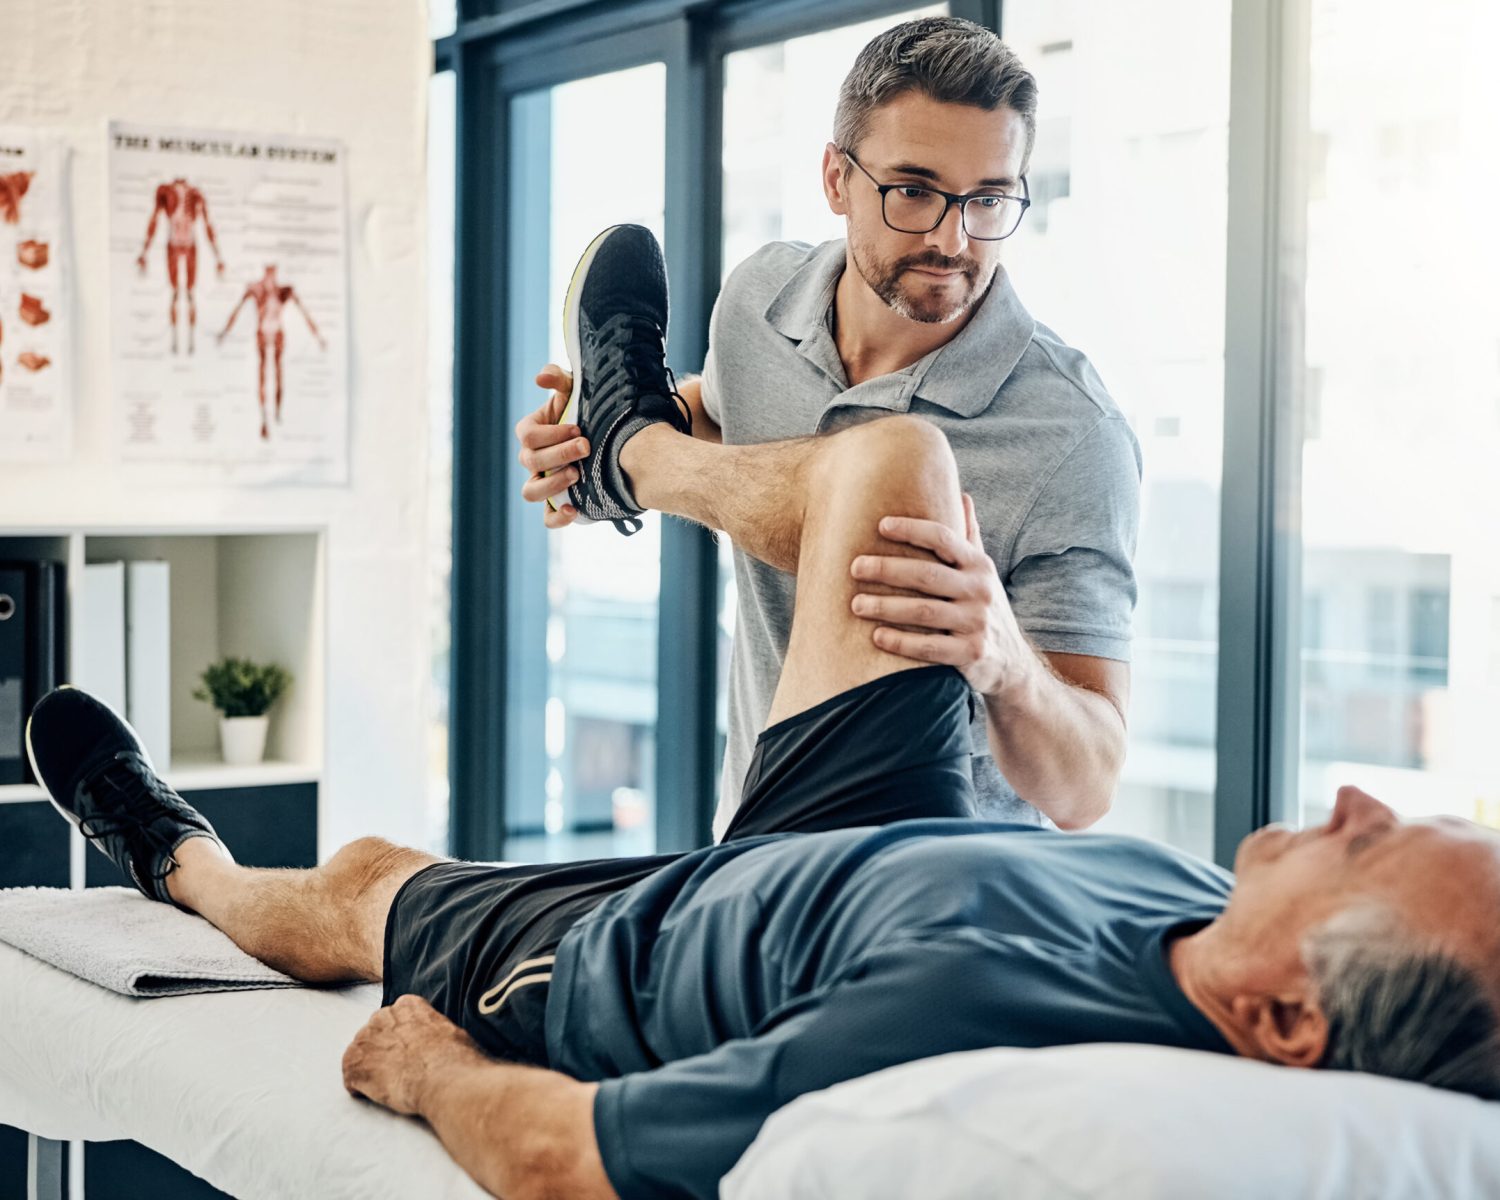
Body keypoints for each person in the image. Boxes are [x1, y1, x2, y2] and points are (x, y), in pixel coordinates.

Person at [24, 226, 1500, 1200]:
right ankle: (642, 446)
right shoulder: (1214, 917)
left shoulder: (960, 1035)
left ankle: (171, 848)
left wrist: (431, 1071)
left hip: (656, 952)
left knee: (355, 886)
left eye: (1379, 852)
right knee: (899, 464)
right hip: (874, 828)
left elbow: (572, 1166)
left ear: (1286, 1017)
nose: (1366, 800)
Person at [517, 16, 1141, 838]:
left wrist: (1005, 661)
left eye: (989, 199)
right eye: (914, 191)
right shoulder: (757, 303)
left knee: (894, 466)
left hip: (933, 897)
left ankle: (637, 456)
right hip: (748, 847)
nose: (953, 240)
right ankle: (629, 448)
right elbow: (727, 421)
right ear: (835, 179)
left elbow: (1087, 789)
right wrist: (586, 445)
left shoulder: (1071, 433)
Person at [216, 263, 328, 439]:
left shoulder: (284, 292)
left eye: (273, 274)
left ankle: (276, 413)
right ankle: (264, 419)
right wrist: (225, 332)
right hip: (263, 332)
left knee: (277, 373)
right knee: (262, 375)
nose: (270, 277)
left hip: (276, 333)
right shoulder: (256, 290)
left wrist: (318, 336)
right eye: (268, 273)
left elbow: (304, 313)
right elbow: (237, 310)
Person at [136, 176, 225, 355]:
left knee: (190, 294)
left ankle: (191, 341)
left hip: (190, 244)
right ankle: (175, 341)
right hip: (174, 244)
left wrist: (218, 257)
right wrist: (144, 252)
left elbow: (208, 225)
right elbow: (154, 219)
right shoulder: (165, 191)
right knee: (176, 293)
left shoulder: (196, 194)